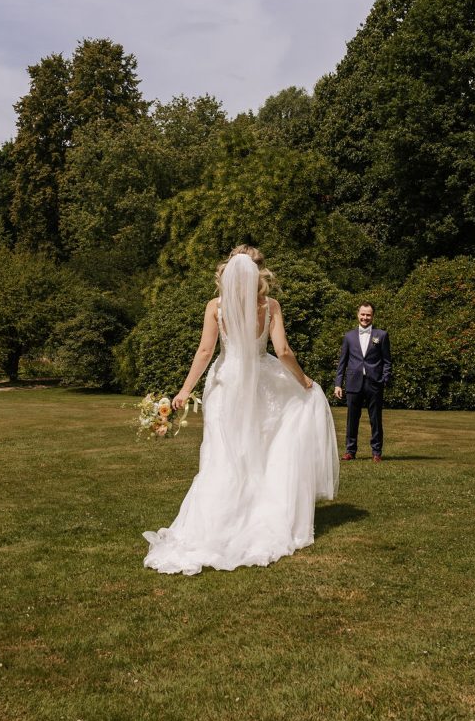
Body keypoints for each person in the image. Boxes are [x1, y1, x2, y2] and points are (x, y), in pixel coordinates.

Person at [143, 245, 340, 575]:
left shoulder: (215, 307)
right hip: (263, 382)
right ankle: (262, 515)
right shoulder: (270, 306)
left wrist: (184, 389)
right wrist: (304, 380)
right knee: (261, 451)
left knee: (223, 454)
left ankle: (216, 522)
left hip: (226, 383)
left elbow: (206, 351)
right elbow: (283, 350)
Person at [334, 303, 392, 463]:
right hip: (353, 382)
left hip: (374, 383)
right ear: (357, 315)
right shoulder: (349, 337)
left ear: (373, 316)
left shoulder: (381, 335)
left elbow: (387, 360)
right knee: (352, 419)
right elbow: (342, 362)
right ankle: (350, 451)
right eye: (363, 314)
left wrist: (384, 379)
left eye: (368, 315)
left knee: (375, 419)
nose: (365, 317)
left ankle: (376, 452)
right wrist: (338, 384)